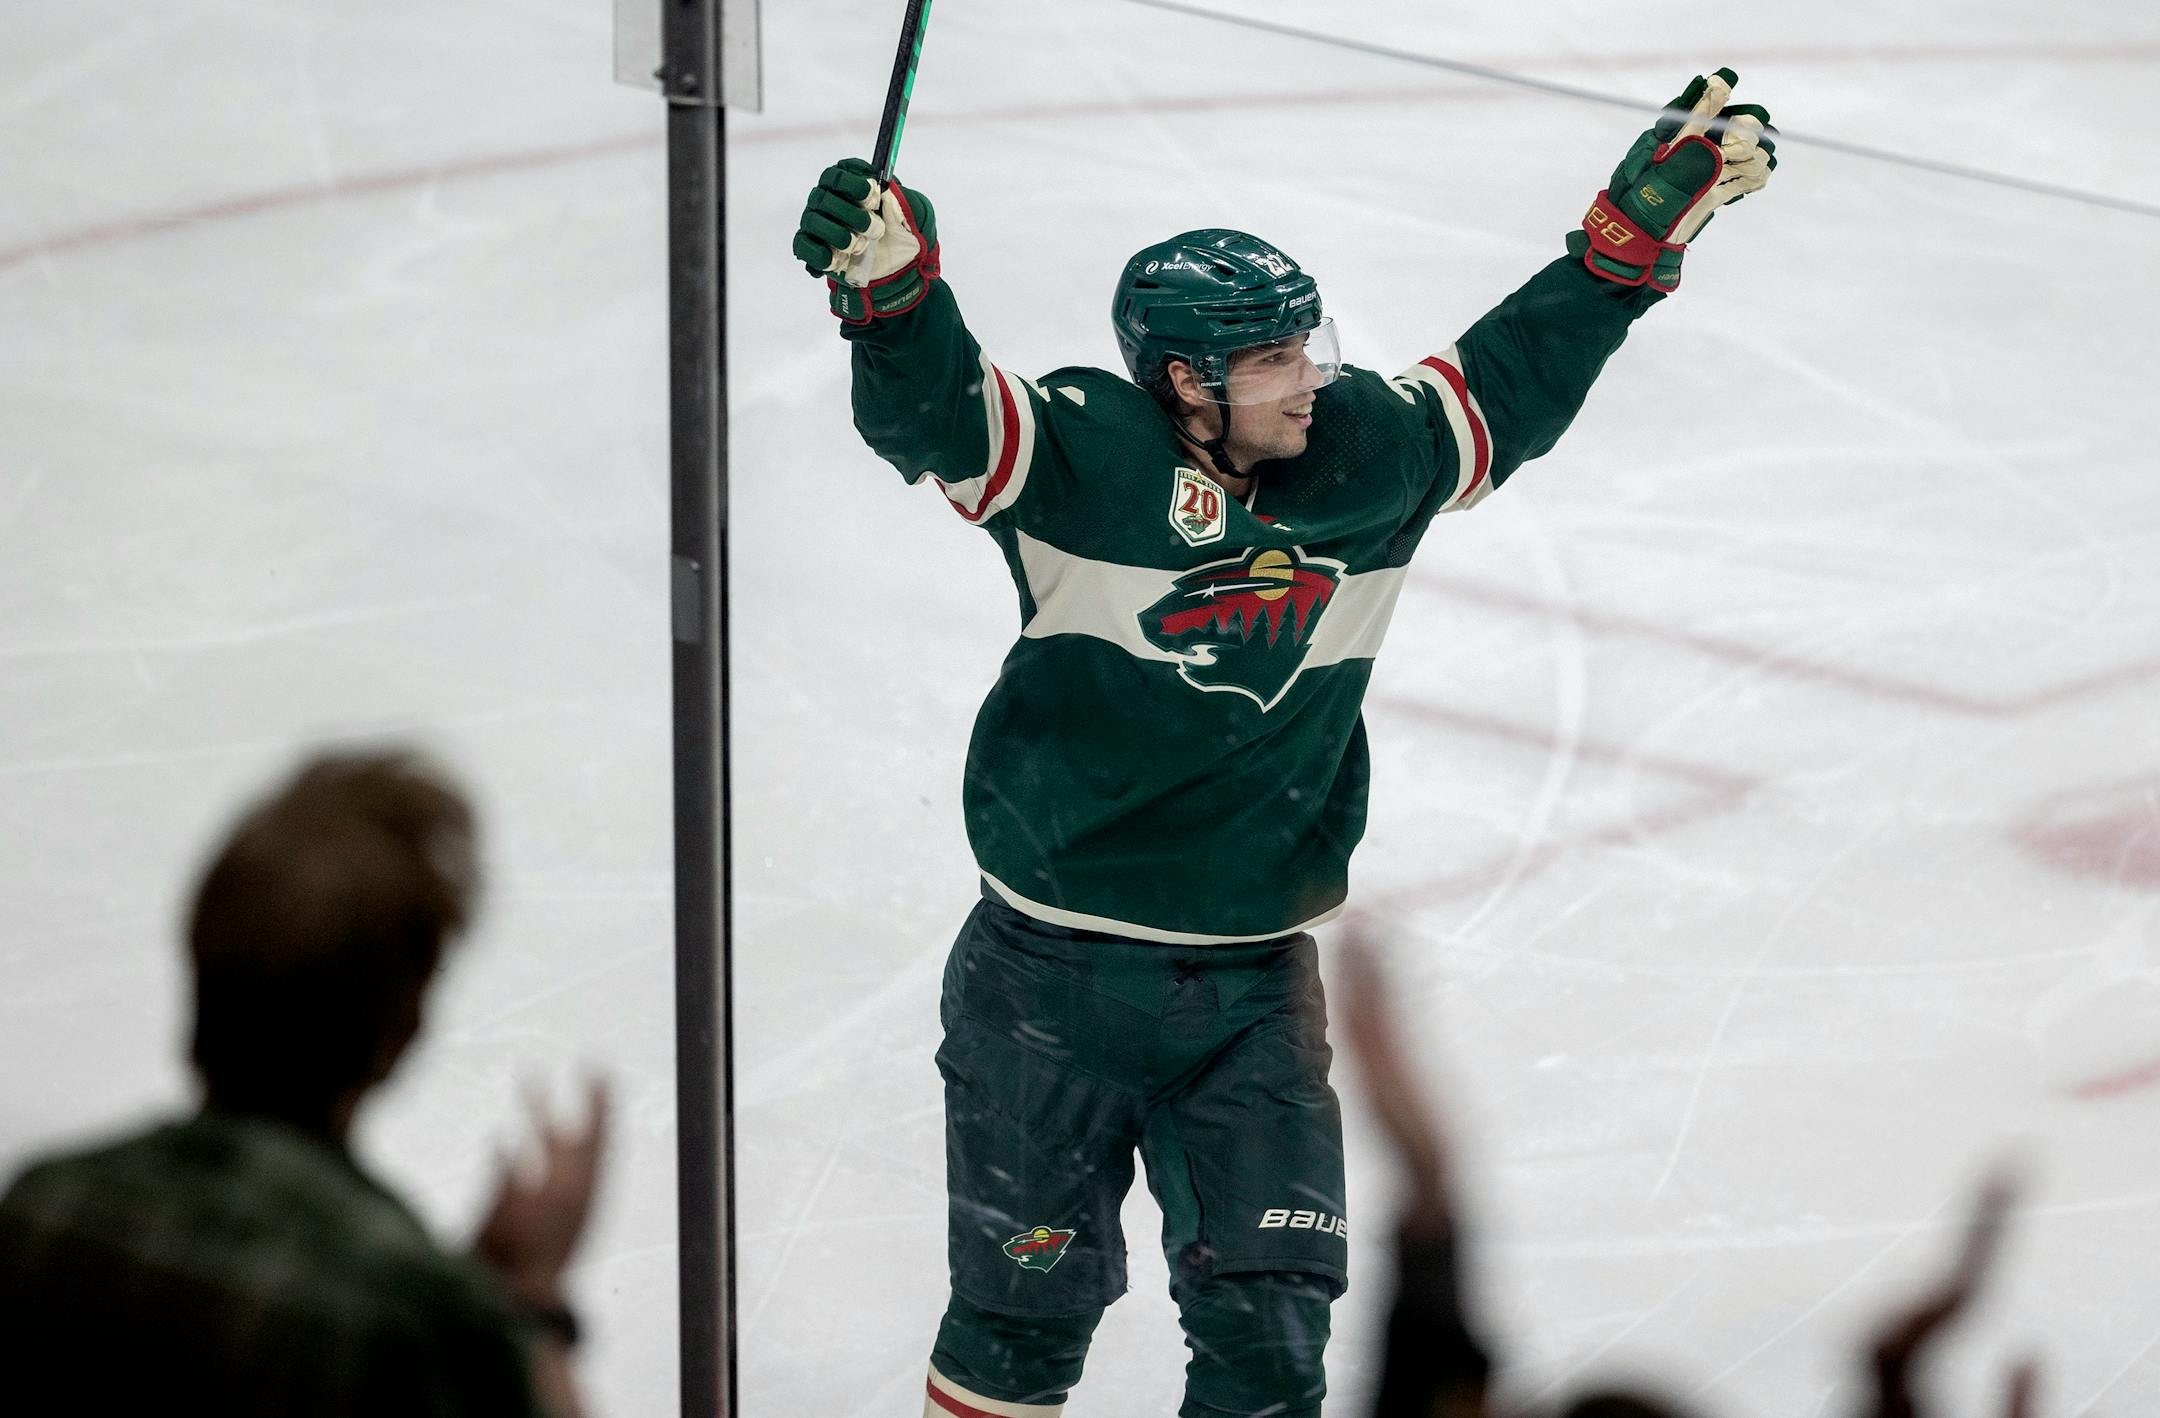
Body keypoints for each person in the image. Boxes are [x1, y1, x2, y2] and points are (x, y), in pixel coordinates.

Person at [794, 68, 1777, 1418]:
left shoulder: (1365, 452)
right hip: (1046, 984)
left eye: (1307, 347)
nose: (1309, 378)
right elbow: (935, 414)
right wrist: (894, 301)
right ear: (1186, 378)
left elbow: (1509, 383)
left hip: (1251, 993)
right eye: (1274, 360)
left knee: (1271, 1352)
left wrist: (1622, 247)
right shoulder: (1085, 456)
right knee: (1017, 1335)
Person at [0, 749, 608, 1417]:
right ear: (399, 1036)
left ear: (201, 961)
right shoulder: (414, 1326)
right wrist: (527, 1297)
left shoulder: (39, 1214)